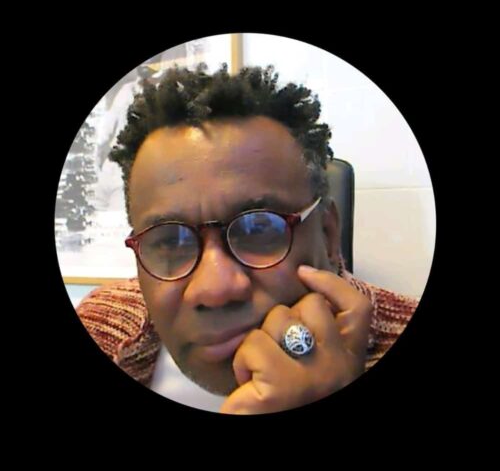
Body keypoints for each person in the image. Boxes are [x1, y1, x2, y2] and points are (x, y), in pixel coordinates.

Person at [76, 63, 419, 415]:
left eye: (259, 229)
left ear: (329, 234)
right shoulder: (100, 325)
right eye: (170, 241)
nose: (215, 289)